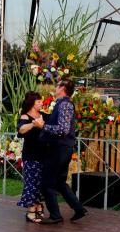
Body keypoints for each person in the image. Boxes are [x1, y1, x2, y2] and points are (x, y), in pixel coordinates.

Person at [34, 79, 87, 224]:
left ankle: (55, 215)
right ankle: (79, 209)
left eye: (58, 85)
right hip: (62, 148)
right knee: (59, 182)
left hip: (59, 149)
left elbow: (63, 130)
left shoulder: (64, 104)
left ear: (63, 88)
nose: (55, 87)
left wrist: (43, 126)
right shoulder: (62, 104)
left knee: (47, 183)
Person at [16, 92, 46, 223]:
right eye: (39, 101)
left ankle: (39, 206)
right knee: (31, 183)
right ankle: (31, 211)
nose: (41, 103)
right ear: (32, 103)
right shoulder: (25, 116)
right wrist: (34, 124)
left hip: (43, 155)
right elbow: (21, 129)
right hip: (31, 155)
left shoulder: (43, 115)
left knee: (40, 183)